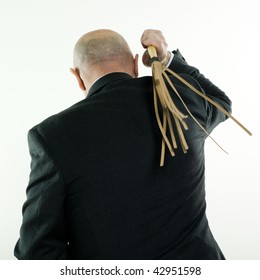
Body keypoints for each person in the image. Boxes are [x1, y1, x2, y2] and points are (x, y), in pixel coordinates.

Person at [14, 29, 231, 260]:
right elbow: (221, 103)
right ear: (136, 64)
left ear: (77, 77)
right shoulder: (183, 100)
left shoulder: (52, 135)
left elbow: (36, 251)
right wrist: (166, 59)